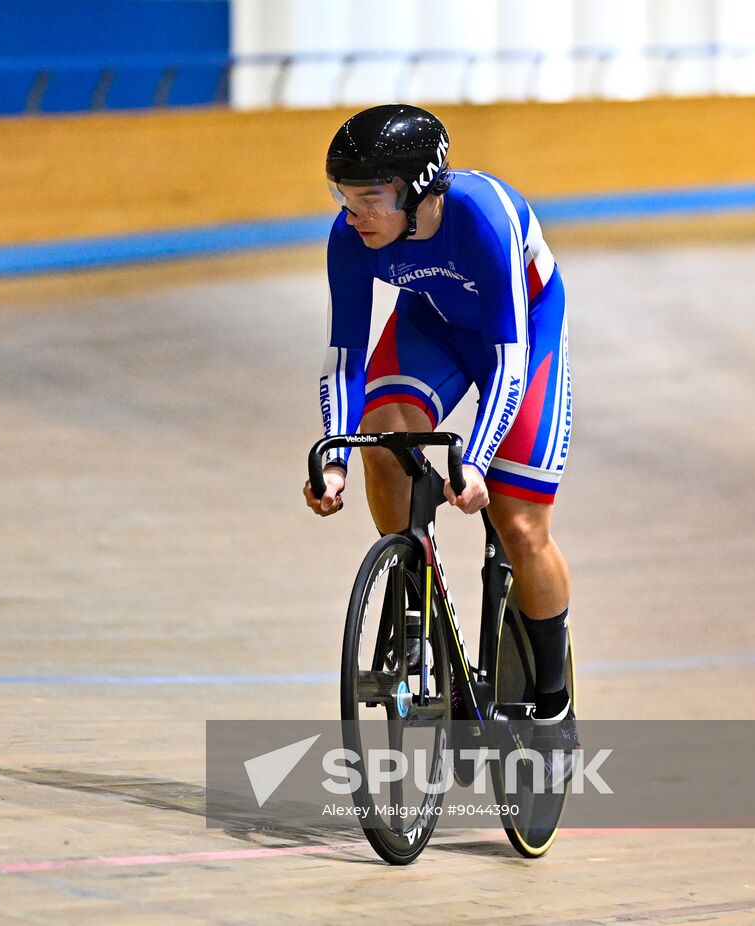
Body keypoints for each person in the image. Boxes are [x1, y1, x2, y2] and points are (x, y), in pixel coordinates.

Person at [303, 104, 577, 767]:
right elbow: (344, 355)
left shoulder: (484, 217)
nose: (354, 213)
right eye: (345, 197)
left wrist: (477, 462)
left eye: (370, 197)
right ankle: (414, 607)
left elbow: (510, 359)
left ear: (419, 190)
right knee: (384, 436)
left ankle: (555, 702)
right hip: (433, 325)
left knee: (520, 526)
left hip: (519, 336)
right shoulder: (350, 238)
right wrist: (335, 458)